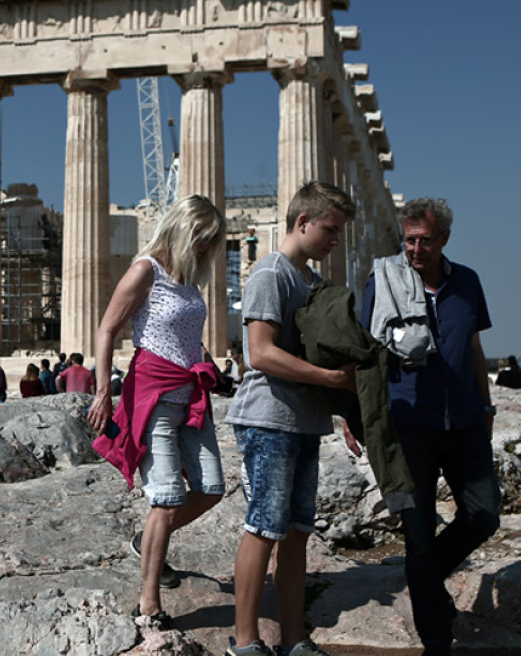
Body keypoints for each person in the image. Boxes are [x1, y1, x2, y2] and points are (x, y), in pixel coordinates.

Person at [360, 197, 498, 656]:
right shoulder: (383, 283)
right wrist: (359, 415)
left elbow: (474, 348)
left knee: (484, 515)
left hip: (464, 420)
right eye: (409, 240)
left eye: (425, 241)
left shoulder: (468, 283)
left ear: (444, 240)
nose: (415, 249)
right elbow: (366, 356)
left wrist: (487, 403)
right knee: (417, 536)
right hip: (408, 425)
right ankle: (437, 641)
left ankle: (422, 574)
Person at [224, 182, 357, 656]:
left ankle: (294, 637)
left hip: (304, 421)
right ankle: (244, 642)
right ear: (303, 222)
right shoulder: (270, 274)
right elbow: (259, 354)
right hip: (268, 418)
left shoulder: (312, 283)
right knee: (264, 527)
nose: (335, 240)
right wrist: (327, 377)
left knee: (298, 530)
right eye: (331, 229)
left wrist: (347, 414)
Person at [88, 194, 228, 629]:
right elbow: (107, 327)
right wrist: (101, 391)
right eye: (202, 238)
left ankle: (145, 538)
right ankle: (148, 603)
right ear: (183, 229)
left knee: (211, 488)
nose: (207, 247)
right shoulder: (145, 270)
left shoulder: (187, 278)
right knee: (165, 501)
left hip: (190, 397)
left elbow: (186, 332)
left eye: (212, 241)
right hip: (153, 399)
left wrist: (203, 358)